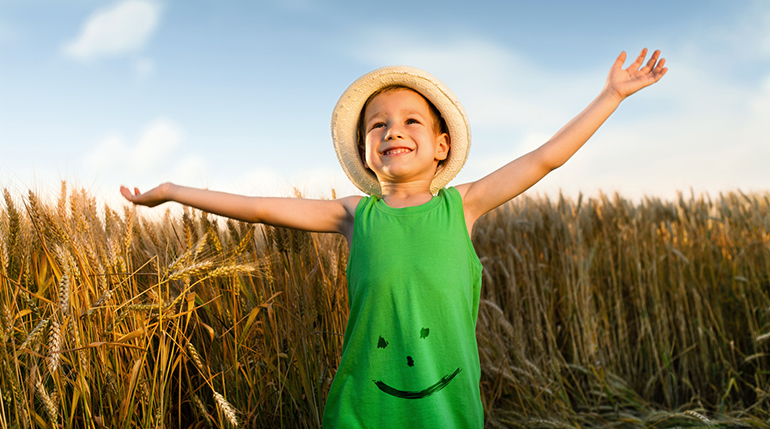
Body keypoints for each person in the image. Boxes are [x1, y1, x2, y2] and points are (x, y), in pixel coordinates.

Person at [121, 49, 667, 428]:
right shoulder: (355, 215)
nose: (393, 131)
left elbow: (546, 158)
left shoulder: (465, 205)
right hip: (362, 410)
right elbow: (262, 208)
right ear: (364, 151)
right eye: (377, 125)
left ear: (441, 145)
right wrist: (173, 191)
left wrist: (610, 96)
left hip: (447, 410)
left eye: (411, 121)